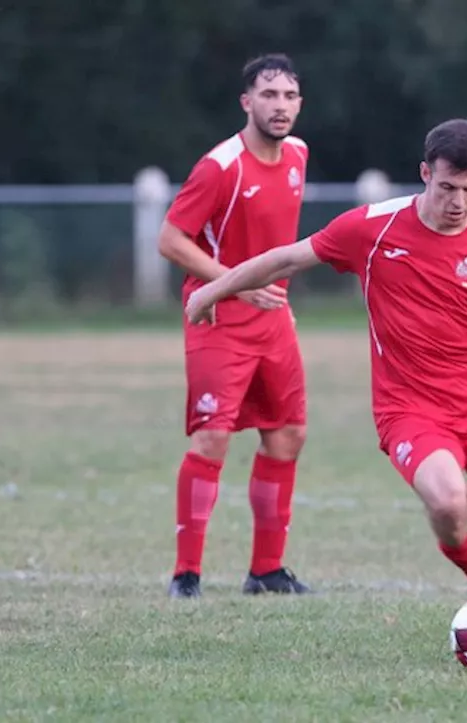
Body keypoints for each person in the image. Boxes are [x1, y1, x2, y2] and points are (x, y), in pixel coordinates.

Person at [185, 118, 467, 668]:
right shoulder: (374, 228)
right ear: (424, 173)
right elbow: (289, 258)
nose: (458, 202)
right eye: (447, 187)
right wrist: (211, 291)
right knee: (448, 501)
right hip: (410, 410)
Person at [157, 54, 314, 599]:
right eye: (269, 95)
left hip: (273, 319)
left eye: (290, 96)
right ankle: (186, 575)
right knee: (213, 437)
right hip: (217, 316)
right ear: (246, 101)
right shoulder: (220, 166)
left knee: (287, 435)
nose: (280, 105)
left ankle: (266, 572)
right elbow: (171, 240)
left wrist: (272, 295)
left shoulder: (297, 155)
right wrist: (235, 284)